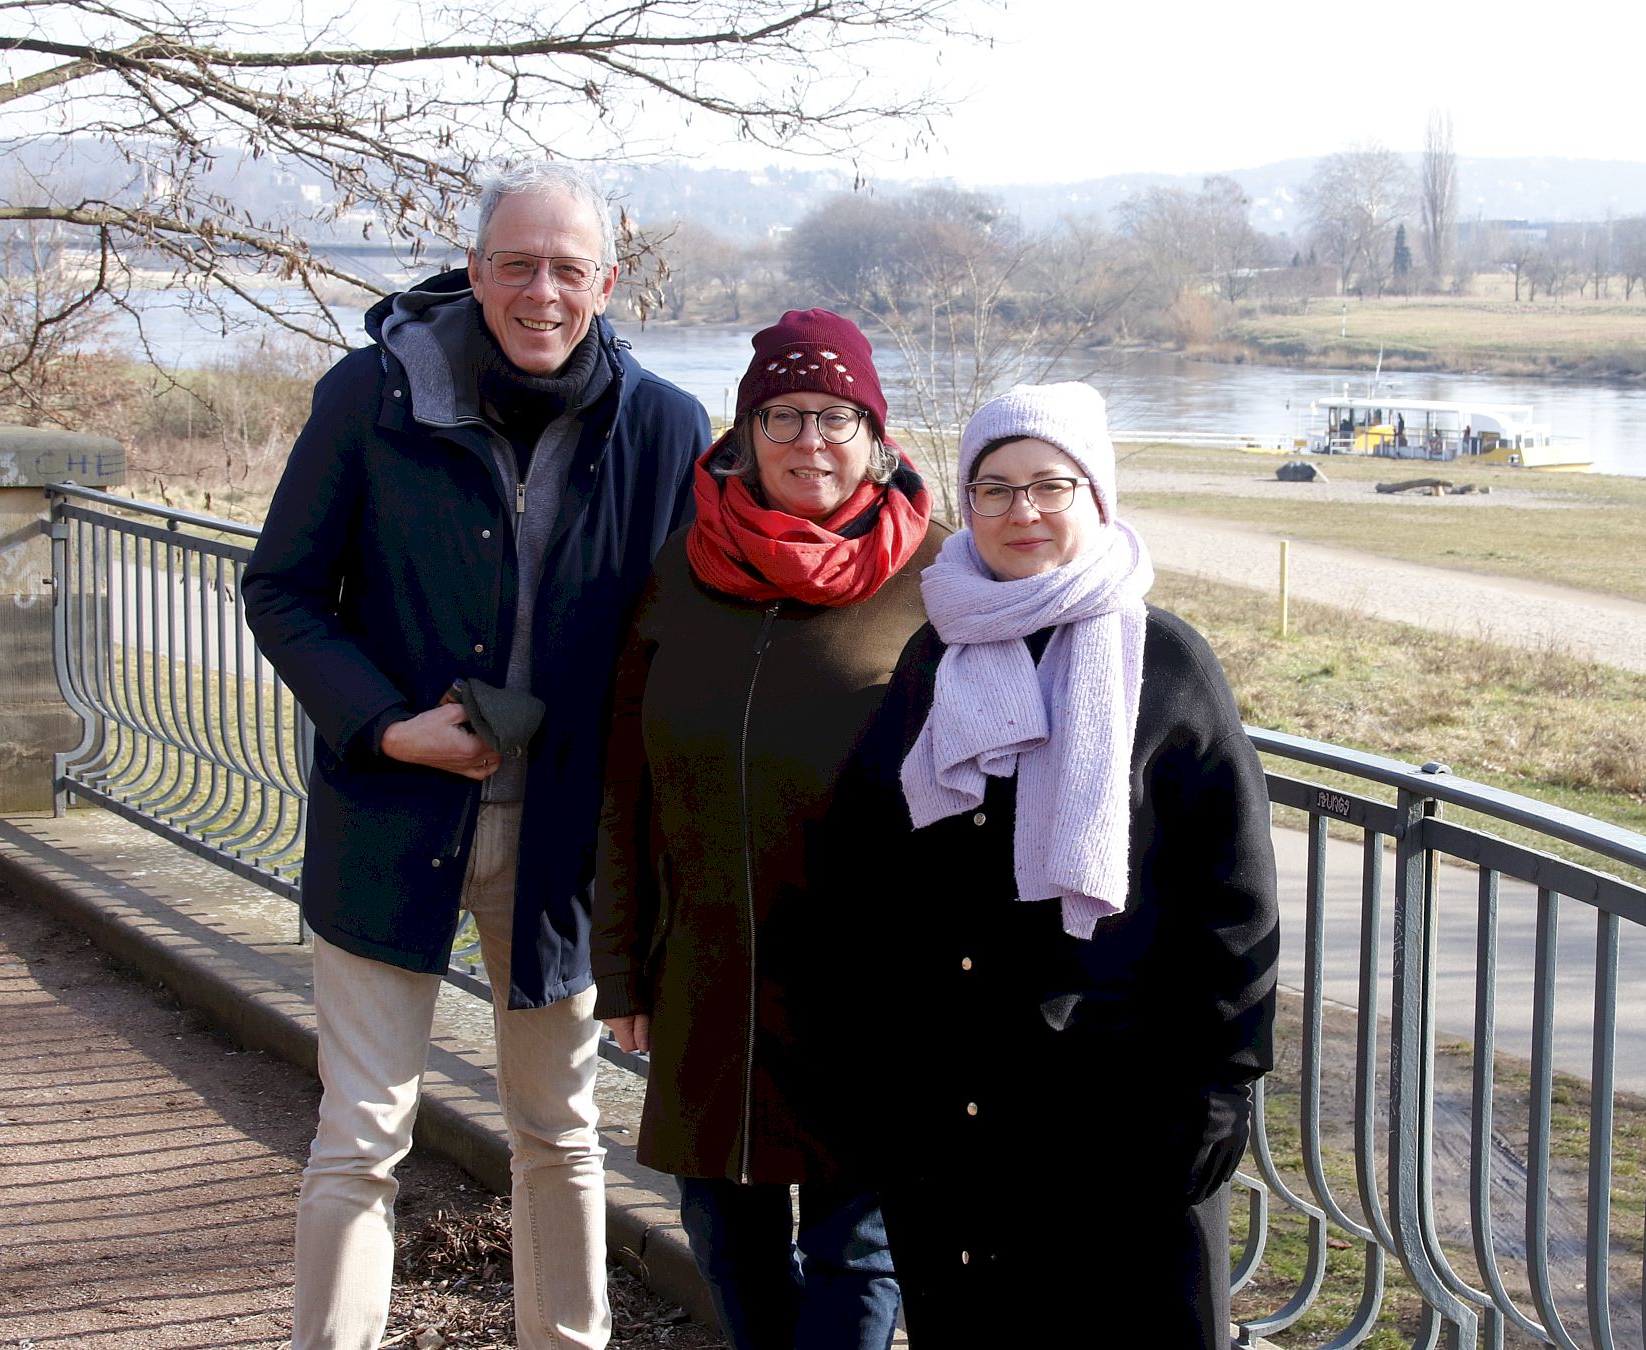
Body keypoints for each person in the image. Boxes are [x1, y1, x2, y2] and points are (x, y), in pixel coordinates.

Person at [242, 161, 710, 1350]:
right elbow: (284, 591)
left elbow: (682, 651)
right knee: (361, 1132)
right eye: (516, 265)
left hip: (564, 837)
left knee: (559, 1128)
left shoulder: (662, 426)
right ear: (474, 271)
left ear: (607, 282)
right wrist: (388, 725)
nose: (539, 292)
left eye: (567, 269)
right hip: (392, 811)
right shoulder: (373, 395)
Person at [820, 382, 1280, 1348]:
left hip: (1126, 1120)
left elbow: (1234, 908)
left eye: (1049, 485)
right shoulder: (931, 657)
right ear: (968, 502)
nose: (1022, 511)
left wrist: (1218, 1094)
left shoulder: (1168, 665)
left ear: (1094, 494)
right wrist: (878, 1071)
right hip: (958, 1125)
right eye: (994, 488)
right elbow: (868, 870)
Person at [590, 310, 939, 1350]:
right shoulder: (681, 573)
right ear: (743, 435)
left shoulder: (944, 584)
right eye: (781, 415)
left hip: (870, 986)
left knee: (856, 1249)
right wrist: (623, 971)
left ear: (876, 435)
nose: (809, 441)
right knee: (725, 1232)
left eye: (837, 416)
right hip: (708, 970)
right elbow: (626, 787)